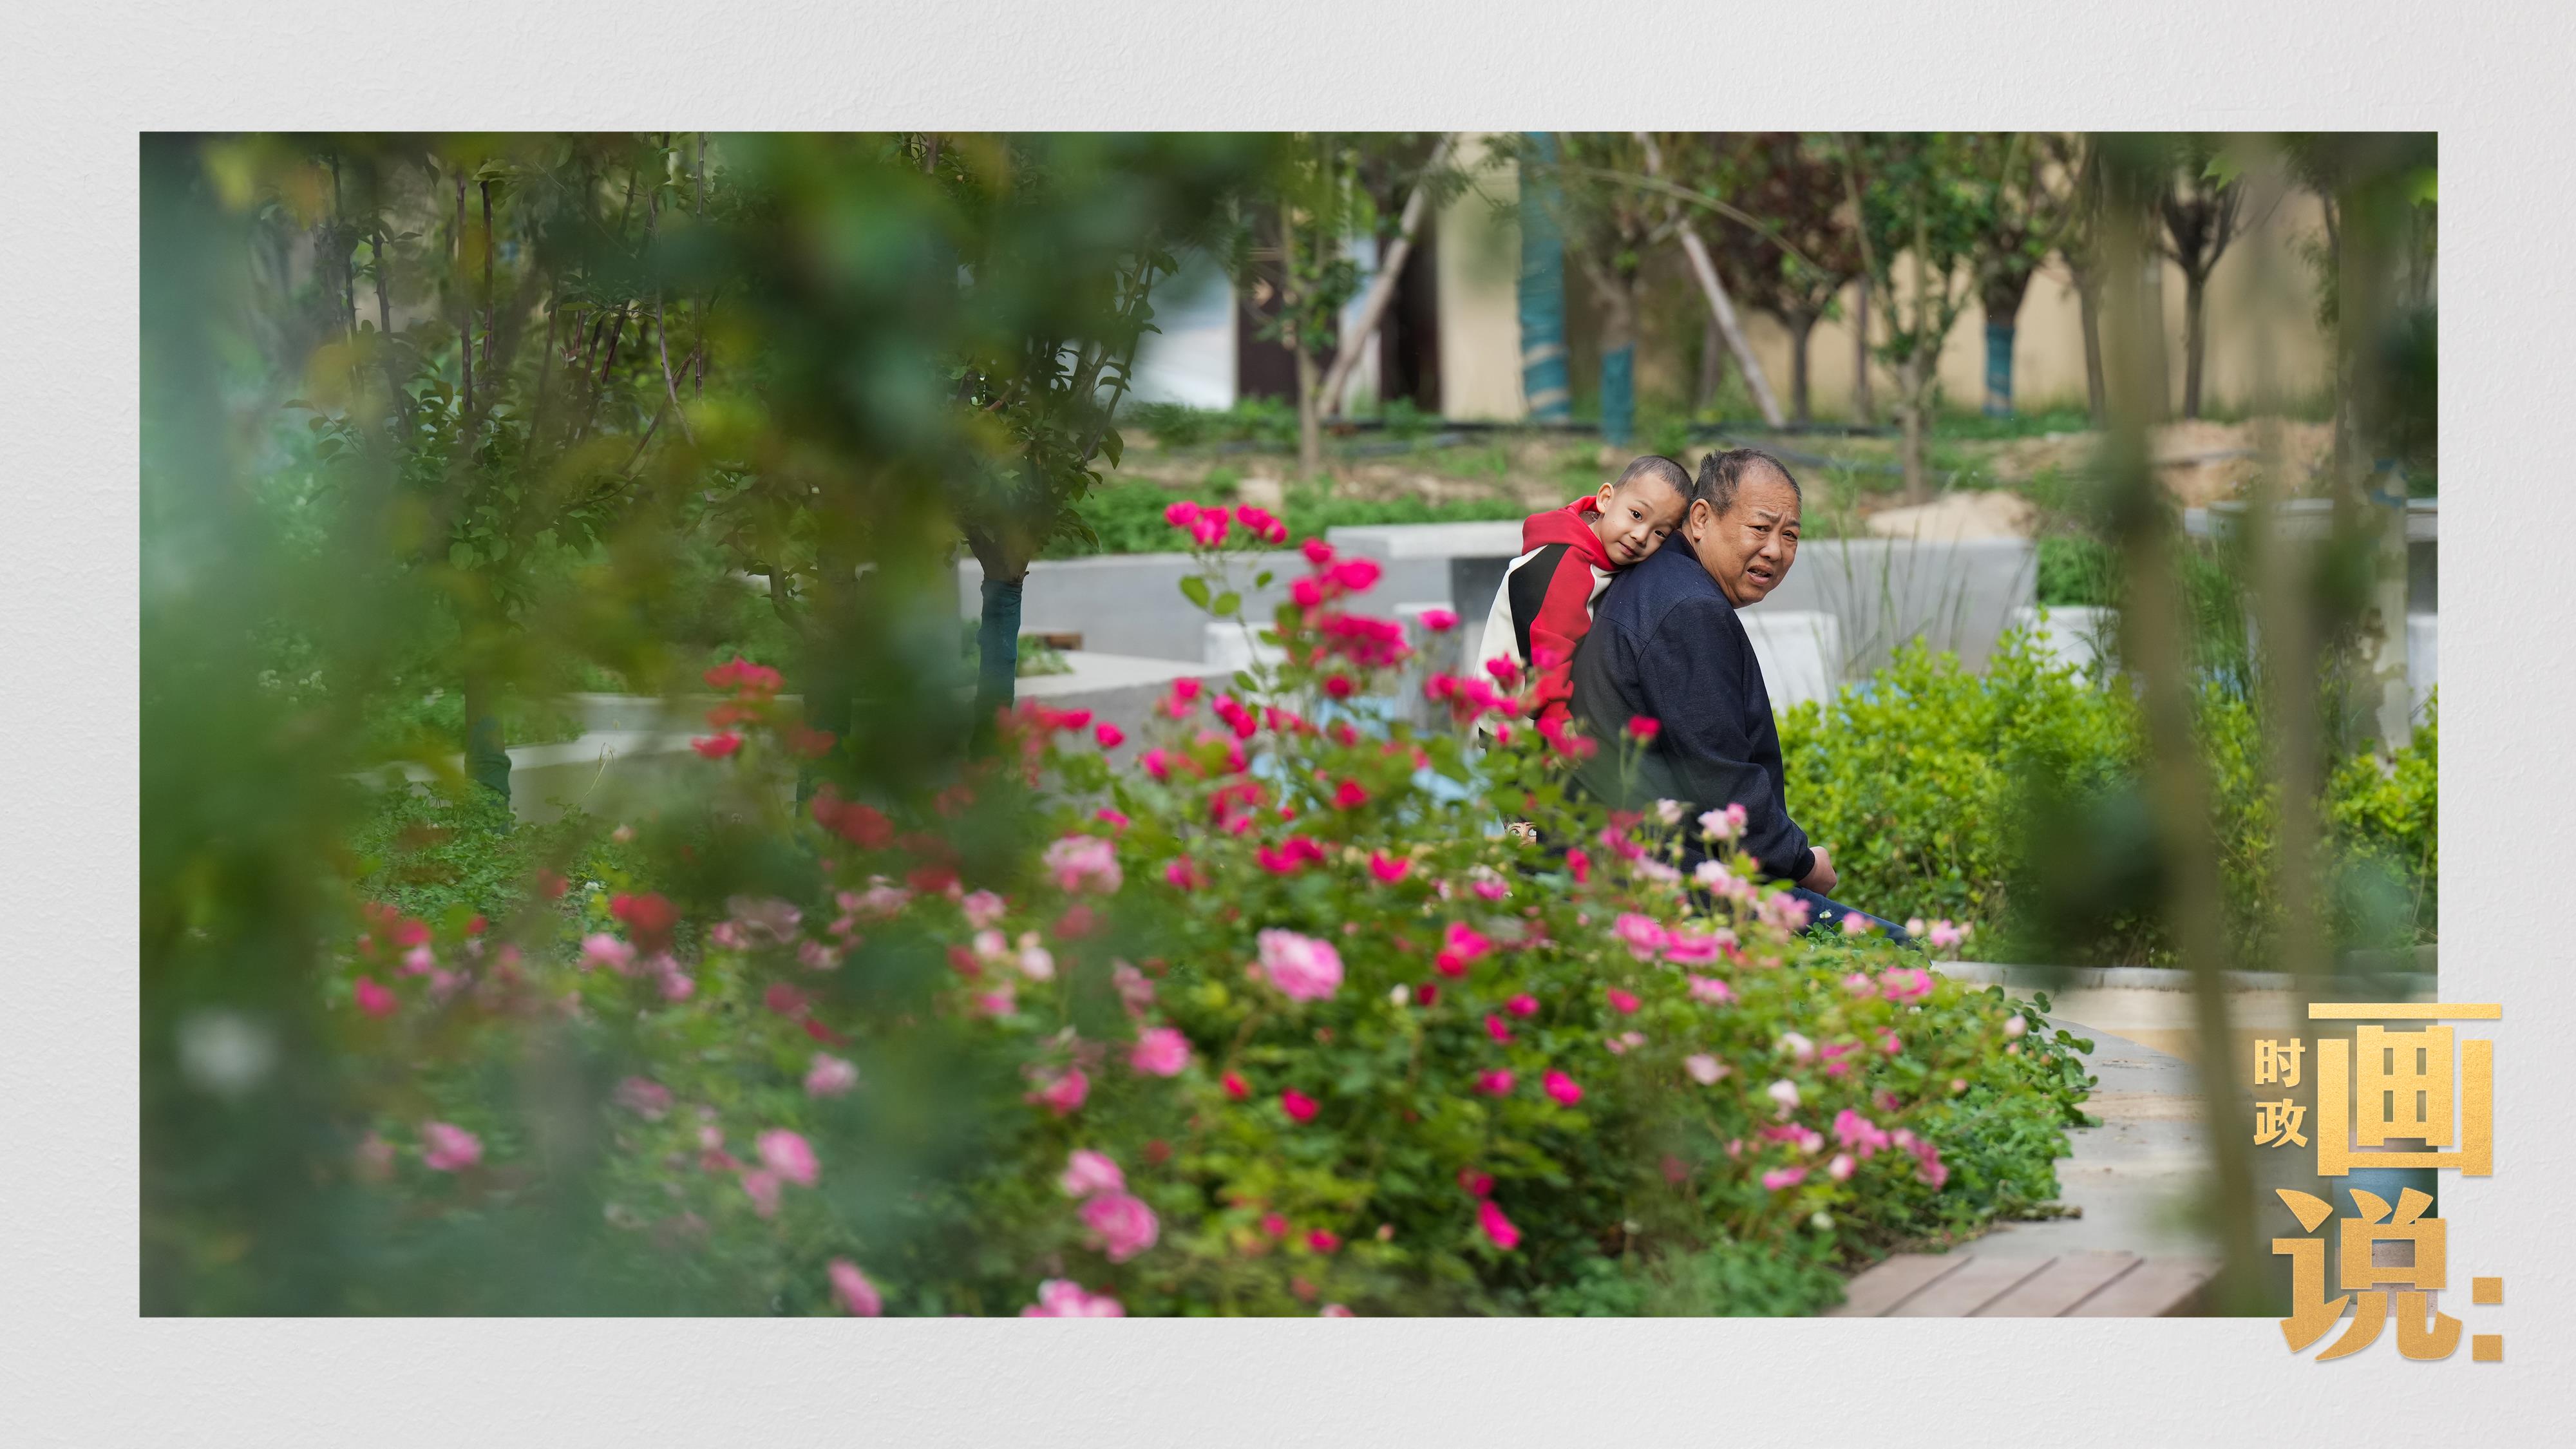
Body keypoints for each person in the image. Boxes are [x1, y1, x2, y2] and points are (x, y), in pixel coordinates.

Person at [1565, 448, 1908, 941]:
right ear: (1701, 518)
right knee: (1902, 959)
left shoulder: (1669, 584)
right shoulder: (1688, 609)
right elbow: (1721, 784)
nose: (1775, 550)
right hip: (1671, 889)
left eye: (1790, 535)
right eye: (1760, 528)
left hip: (1655, 869)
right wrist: (1804, 862)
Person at [1475, 455, 1690, 732]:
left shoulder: (1598, 554)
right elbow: (1548, 653)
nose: (1641, 535)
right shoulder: (1568, 565)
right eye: (1636, 515)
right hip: (1516, 726)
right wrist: (1559, 723)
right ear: (1605, 499)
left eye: (1660, 533)